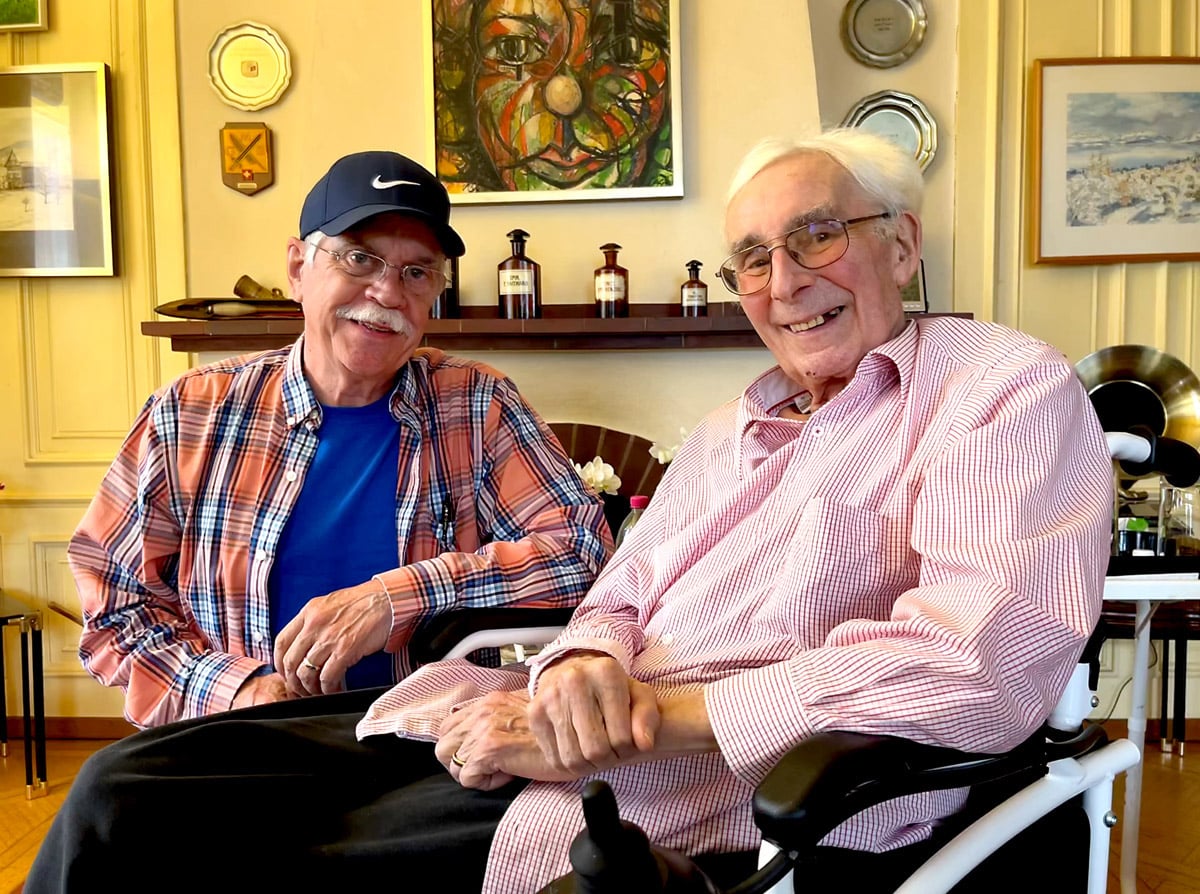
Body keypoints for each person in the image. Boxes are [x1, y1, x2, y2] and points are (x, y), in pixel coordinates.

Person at [28, 129, 1112, 894]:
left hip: (668, 777)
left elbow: (975, 660)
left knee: (192, 850)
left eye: (818, 237)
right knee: (122, 787)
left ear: (902, 246)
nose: (782, 281)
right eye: (752, 257)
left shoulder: (994, 389)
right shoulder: (736, 427)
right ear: (299, 268)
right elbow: (615, 588)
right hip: (482, 715)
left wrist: (630, 713)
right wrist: (586, 663)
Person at [65, 149, 611, 730]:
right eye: (359, 258)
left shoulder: (478, 404)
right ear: (298, 268)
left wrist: (395, 598)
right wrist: (241, 691)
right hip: (239, 740)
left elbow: (584, 553)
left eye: (416, 272)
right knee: (100, 788)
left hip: (428, 741)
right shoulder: (190, 413)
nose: (388, 293)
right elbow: (115, 612)